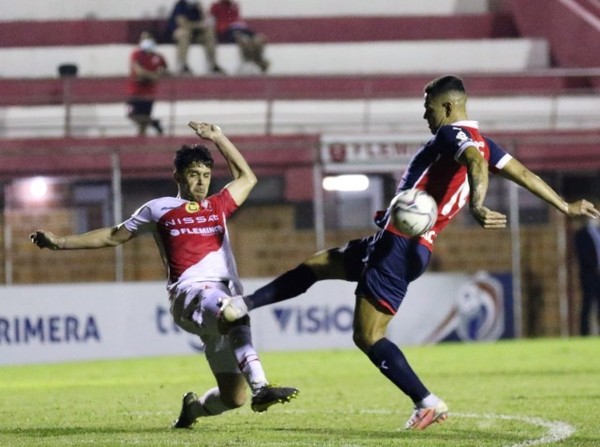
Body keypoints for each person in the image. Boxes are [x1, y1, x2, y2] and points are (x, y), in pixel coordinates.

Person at [219, 75, 600, 430]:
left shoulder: (454, 136)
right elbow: (525, 174)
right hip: (395, 241)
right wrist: (564, 206)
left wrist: (477, 204)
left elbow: (475, 163)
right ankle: (244, 304)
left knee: (367, 335)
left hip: (400, 246)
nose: (424, 114)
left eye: (428, 107)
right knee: (317, 264)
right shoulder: (484, 140)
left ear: (448, 108)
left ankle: (426, 401)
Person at [29, 121, 298, 429]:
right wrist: (61, 242)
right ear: (178, 176)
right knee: (235, 312)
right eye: (194, 174)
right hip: (191, 295)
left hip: (218, 301)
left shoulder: (218, 206)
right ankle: (262, 387)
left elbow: (247, 177)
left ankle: (191, 412)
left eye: (206, 175)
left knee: (232, 398)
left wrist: (219, 137)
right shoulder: (159, 209)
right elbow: (113, 236)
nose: (201, 182)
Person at [126, 31, 168, 136]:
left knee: (142, 125)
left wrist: (155, 75)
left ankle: (140, 143)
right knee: (132, 115)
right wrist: (153, 76)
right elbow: (138, 71)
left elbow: (164, 70)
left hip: (149, 93)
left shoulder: (158, 57)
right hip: (135, 92)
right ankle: (154, 123)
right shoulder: (136, 54)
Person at [210, 0, 269, 73]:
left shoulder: (235, 6)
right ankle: (248, 62)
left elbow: (238, 19)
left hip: (241, 28)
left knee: (259, 39)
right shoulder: (216, 6)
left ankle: (258, 61)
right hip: (227, 30)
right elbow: (212, 21)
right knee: (243, 39)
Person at [167, 0, 224, 75]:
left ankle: (213, 64)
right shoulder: (180, 5)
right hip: (180, 32)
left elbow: (206, 21)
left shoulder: (197, 5)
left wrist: (201, 9)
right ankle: (183, 65)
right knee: (184, 33)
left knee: (209, 33)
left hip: (194, 34)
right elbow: (183, 24)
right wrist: (199, 25)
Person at [574, 216, 600, 335]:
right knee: (588, 304)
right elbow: (583, 255)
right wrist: (595, 268)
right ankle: (584, 332)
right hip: (590, 275)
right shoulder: (580, 234)